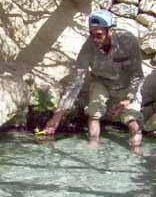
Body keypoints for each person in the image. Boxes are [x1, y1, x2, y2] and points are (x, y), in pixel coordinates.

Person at [43, 9, 144, 155]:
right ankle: (93, 147)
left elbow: (138, 75)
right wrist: (57, 116)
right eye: (91, 34)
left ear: (110, 31)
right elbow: (77, 81)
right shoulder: (88, 46)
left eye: (99, 35)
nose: (95, 39)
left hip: (126, 86)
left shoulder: (128, 41)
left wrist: (128, 98)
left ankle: (136, 153)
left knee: (133, 123)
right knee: (94, 113)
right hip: (101, 82)